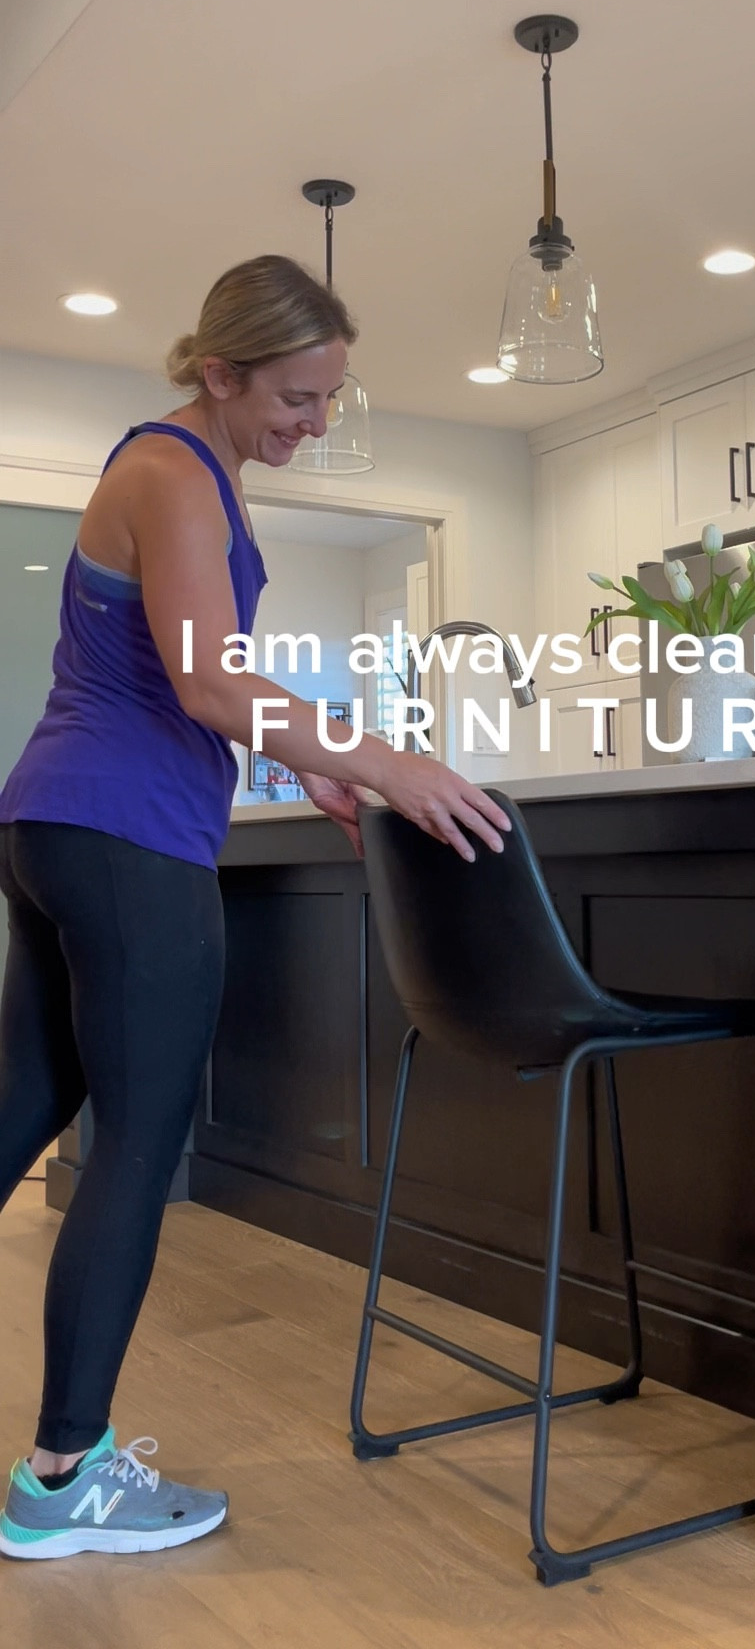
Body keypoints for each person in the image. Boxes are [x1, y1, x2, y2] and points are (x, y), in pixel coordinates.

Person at [0, 255, 511, 1558]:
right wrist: (385, 760)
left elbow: (183, 677)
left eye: (330, 396)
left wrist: (305, 761)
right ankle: (65, 1481)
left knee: (21, 1103)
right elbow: (213, 686)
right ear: (219, 372)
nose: (313, 422)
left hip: (58, 821)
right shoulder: (174, 472)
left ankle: (67, 1467)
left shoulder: (178, 469)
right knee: (136, 1142)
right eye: (296, 395)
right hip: (122, 834)